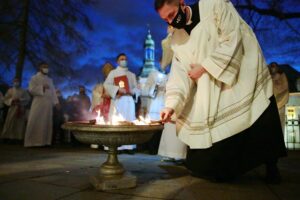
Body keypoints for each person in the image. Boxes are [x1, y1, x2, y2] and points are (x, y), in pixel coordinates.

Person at [155, 0, 286, 183]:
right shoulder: (177, 40)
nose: (170, 21)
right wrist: (171, 106)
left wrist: (205, 67)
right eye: (165, 19)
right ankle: (226, 169)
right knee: (202, 166)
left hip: (238, 76)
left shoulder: (213, 5)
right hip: (210, 89)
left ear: (182, 3)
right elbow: (179, 76)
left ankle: (272, 167)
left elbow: (233, 36)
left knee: (260, 118)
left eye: (171, 14)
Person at [104, 53, 140, 152]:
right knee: (117, 122)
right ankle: (116, 145)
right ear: (117, 61)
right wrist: (117, 90)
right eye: (121, 59)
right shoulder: (113, 73)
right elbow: (106, 84)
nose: (124, 60)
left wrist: (132, 91)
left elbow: (136, 88)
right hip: (118, 100)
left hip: (128, 101)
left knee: (129, 122)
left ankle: (128, 146)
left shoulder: (131, 74)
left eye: (125, 59)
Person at [24, 62, 59, 147]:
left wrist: (56, 102)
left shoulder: (50, 80)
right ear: (40, 67)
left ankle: (44, 142)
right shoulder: (34, 78)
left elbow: (53, 92)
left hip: (48, 104)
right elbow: (31, 89)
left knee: (46, 122)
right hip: (38, 102)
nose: (46, 68)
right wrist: (42, 87)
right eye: (44, 67)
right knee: (35, 120)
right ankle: (31, 142)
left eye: (47, 67)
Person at [1, 78, 31, 142]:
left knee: (19, 124)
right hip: (12, 108)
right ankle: (7, 137)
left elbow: (28, 98)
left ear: (20, 82)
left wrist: (20, 100)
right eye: (15, 81)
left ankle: (18, 138)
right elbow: (5, 98)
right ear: (13, 82)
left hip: (20, 108)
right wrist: (12, 100)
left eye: (17, 81)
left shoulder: (23, 91)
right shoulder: (10, 90)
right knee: (10, 122)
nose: (16, 82)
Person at [268, 62, 289, 133]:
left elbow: (285, 90)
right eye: (271, 66)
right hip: (271, 105)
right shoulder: (268, 78)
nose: (272, 68)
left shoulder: (282, 76)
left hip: (279, 104)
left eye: (274, 66)